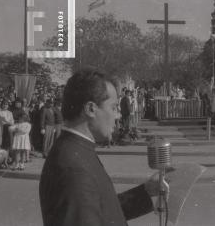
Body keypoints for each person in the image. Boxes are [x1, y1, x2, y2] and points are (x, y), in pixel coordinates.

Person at [39, 69, 164, 226]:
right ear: (91, 109)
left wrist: (147, 193)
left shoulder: (75, 149)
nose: (118, 115)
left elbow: (102, 210)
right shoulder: (73, 167)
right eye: (113, 108)